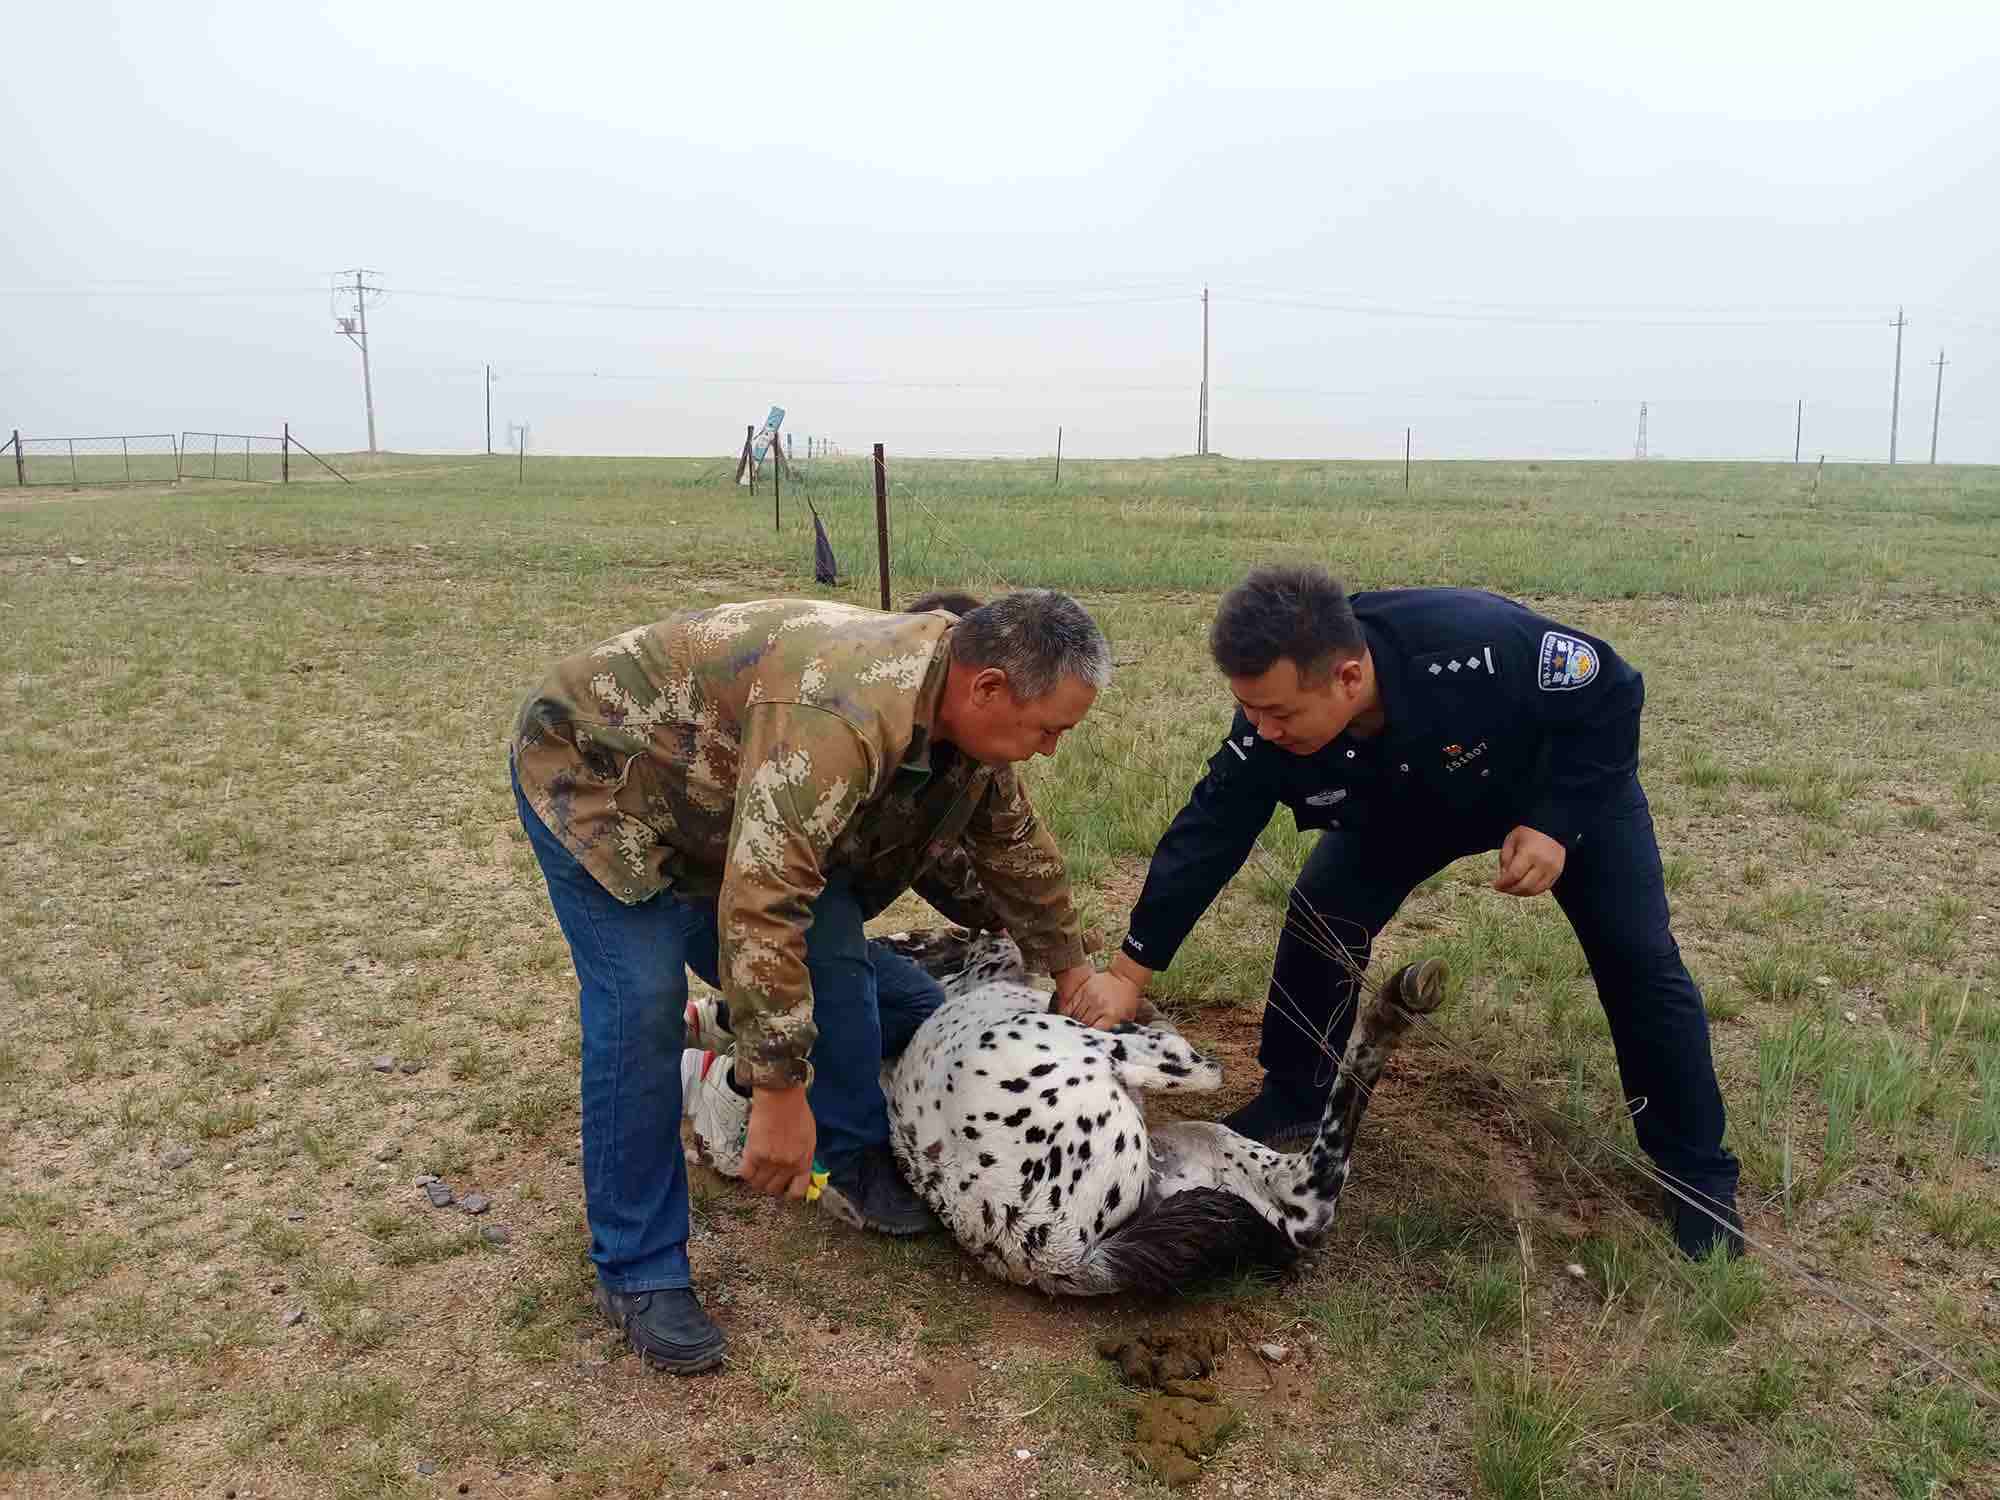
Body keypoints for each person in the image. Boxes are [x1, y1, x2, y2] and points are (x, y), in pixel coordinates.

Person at [1065, 565, 1743, 1260]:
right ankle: (1297, 1095)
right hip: (1403, 801)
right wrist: (1129, 973)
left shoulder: (1477, 645)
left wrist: (1557, 822)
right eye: (1249, 708)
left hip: (1549, 788)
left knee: (1637, 960)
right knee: (1323, 916)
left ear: (1348, 678)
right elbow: (1207, 834)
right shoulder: (1269, 727)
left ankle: (1697, 1173)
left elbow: (1612, 690)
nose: (1261, 729)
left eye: (1280, 713)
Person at [511, 591, 1107, 1373]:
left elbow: (1013, 846)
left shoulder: (960, 710)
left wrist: (1072, 969)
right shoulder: (842, 717)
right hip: (599, 772)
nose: (1051, 750)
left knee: (875, 987)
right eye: (1049, 730)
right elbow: (764, 903)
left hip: (727, 801)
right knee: (642, 1002)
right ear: (989, 688)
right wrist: (779, 1091)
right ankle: (639, 1267)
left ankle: (848, 1154)